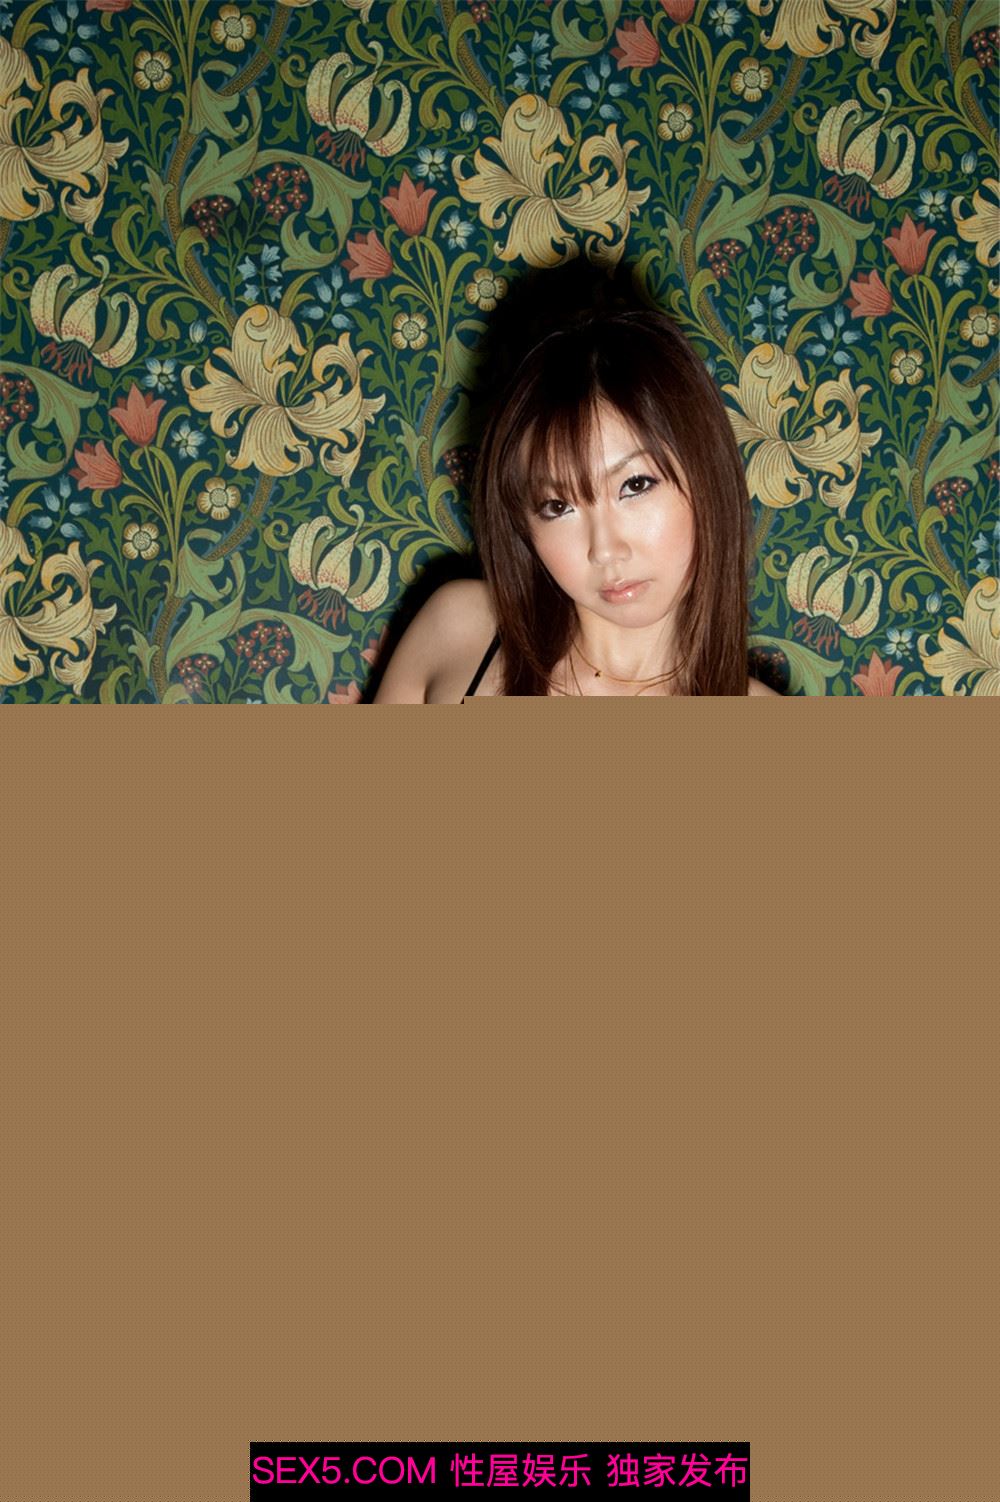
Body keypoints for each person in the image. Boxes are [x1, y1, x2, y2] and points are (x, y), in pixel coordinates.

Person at [373, 299, 781, 701]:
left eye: (635, 485)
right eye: (558, 507)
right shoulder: (458, 629)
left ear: (705, 475)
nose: (605, 550)